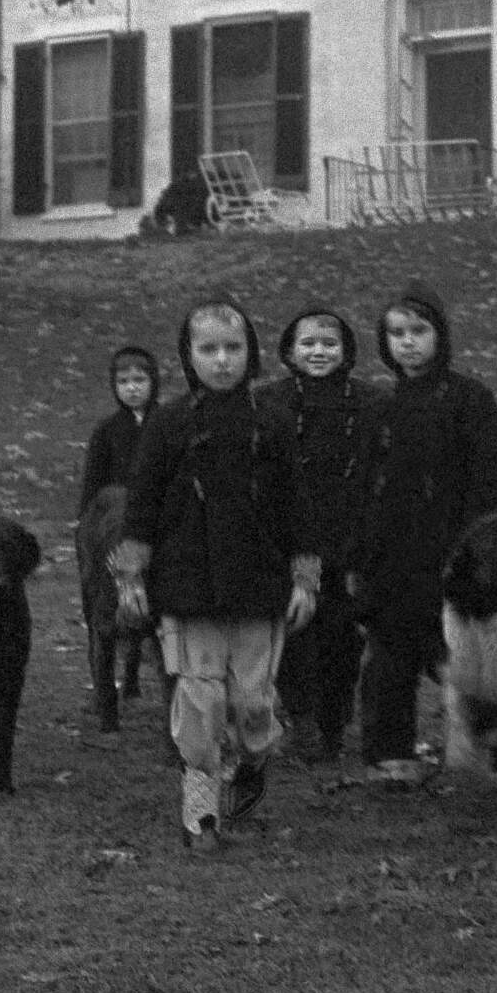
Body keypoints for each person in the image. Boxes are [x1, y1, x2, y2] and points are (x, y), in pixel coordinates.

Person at [115, 299, 315, 852]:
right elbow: (142, 507)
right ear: (187, 356)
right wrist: (131, 578)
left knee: (253, 704)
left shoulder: (272, 423)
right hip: (188, 587)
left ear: (250, 353)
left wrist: (305, 580)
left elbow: (298, 507)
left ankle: (251, 767)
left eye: (233, 348)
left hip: (259, 588)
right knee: (201, 703)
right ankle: (199, 812)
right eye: (208, 349)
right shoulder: (167, 424)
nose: (221, 360)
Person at [348, 283, 497, 786]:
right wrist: (361, 556)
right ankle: (391, 754)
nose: (408, 343)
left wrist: (482, 551)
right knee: (389, 658)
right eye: (396, 333)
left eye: (419, 331)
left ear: (440, 334)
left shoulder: (469, 400)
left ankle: (488, 750)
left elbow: (487, 481)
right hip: (393, 559)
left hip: (454, 552)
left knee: (465, 659)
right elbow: (366, 486)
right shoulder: (380, 406)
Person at [263, 308, 373, 765]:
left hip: (349, 534)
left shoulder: (368, 403)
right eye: (307, 343)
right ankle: (301, 718)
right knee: (295, 631)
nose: (318, 351)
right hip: (291, 538)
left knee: (342, 634)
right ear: (289, 350)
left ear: (346, 350)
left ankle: (334, 722)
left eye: (329, 343)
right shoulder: (269, 402)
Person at [74, 344, 162, 731]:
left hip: (155, 527)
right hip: (109, 528)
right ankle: (103, 693)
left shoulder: (166, 424)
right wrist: (88, 528)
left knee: (151, 606)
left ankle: (134, 676)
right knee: (104, 607)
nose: (132, 388)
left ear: (154, 382)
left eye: (139, 380)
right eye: (123, 381)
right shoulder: (108, 431)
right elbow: (92, 486)